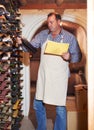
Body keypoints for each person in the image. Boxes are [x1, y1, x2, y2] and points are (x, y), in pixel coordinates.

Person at [17, 12, 82, 130]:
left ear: (59, 22)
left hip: (59, 78)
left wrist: (70, 57)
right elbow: (31, 48)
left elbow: (78, 56)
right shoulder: (43, 35)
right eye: (48, 22)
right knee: (37, 104)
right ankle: (42, 128)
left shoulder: (69, 37)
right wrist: (22, 44)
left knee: (60, 108)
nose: (50, 24)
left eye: (52, 22)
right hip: (44, 76)